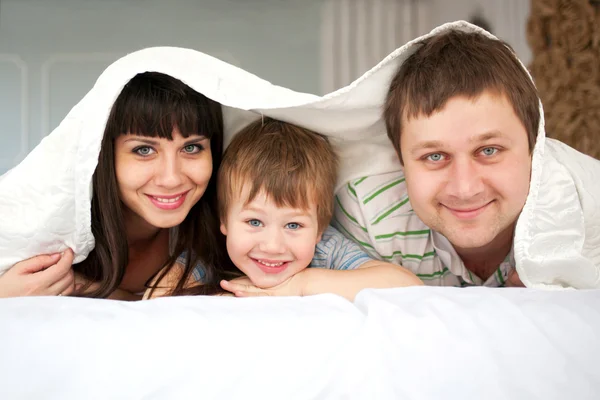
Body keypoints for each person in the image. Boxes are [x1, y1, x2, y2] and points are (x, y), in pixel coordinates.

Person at [334, 29, 540, 287]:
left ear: (534, 147)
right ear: (401, 160)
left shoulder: (582, 210)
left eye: (489, 150)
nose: (464, 189)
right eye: (434, 156)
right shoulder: (367, 215)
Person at [0, 72, 232, 299]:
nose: (171, 178)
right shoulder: (53, 227)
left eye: (191, 148)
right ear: (105, 155)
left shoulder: (228, 231)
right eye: (144, 150)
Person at [146, 117, 422, 301]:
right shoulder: (213, 251)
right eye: (254, 222)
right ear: (225, 221)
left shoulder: (325, 251)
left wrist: (299, 285)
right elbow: (156, 296)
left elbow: (408, 287)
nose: (273, 245)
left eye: (293, 225)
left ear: (319, 229)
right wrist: (229, 299)